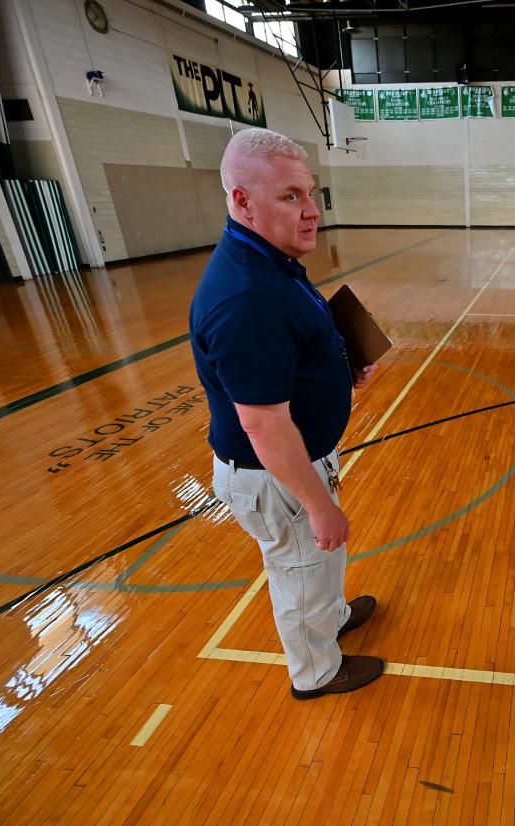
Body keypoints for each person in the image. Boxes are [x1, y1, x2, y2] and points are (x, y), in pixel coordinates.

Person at [190, 127, 383, 700]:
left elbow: (293, 354)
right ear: (242, 201)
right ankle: (316, 671)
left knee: (317, 564)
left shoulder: (270, 264)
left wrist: (342, 365)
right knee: (302, 567)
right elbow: (264, 424)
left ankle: (332, 613)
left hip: (296, 460)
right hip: (275, 474)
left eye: (310, 193)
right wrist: (321, 505)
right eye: (289, 197)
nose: (310, 212)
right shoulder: (247, 297)